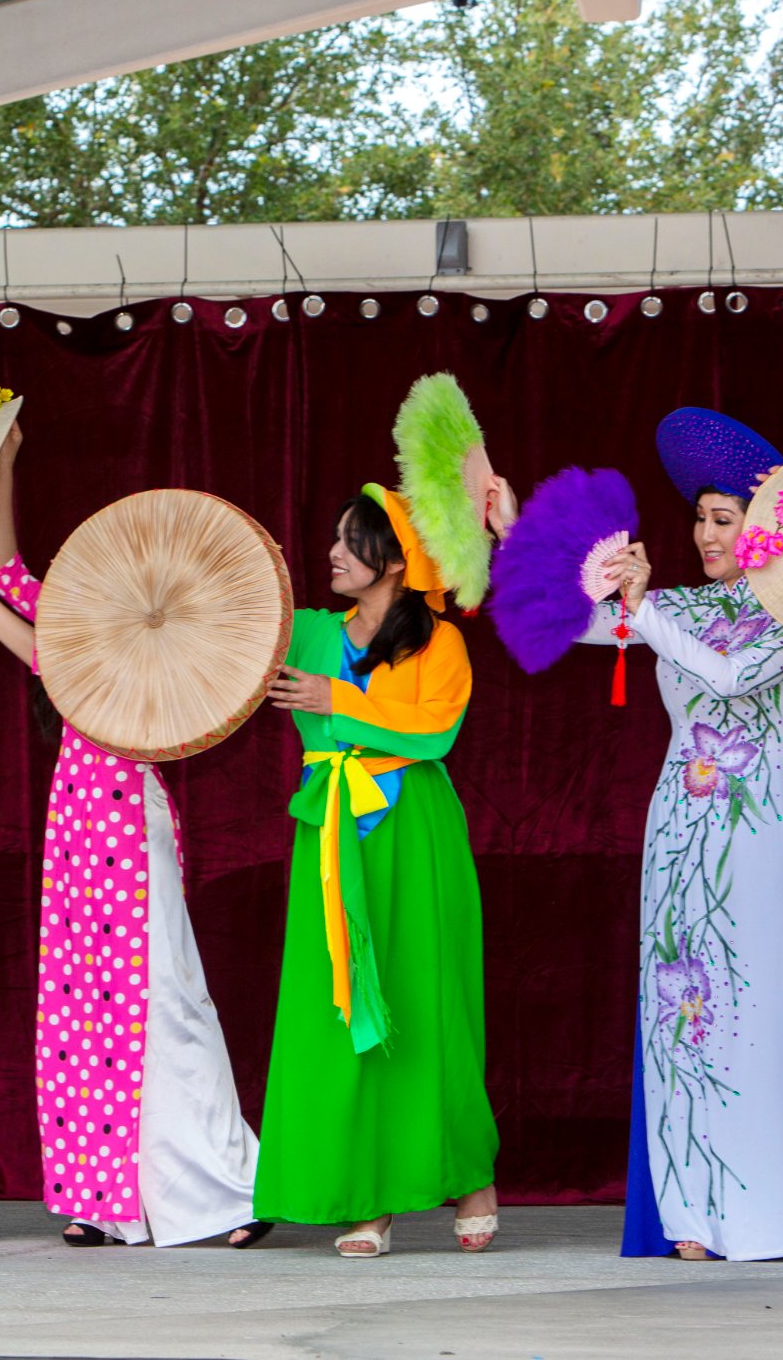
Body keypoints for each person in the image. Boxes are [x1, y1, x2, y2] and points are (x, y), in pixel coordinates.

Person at [0, 422, 269, 1249]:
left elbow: (46, 657)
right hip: (77, 820)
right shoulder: (82, 618)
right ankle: (106, 1200)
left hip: (127, 822)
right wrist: (4, 467)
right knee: (81, 1012)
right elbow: (11, 573)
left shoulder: (152, 642)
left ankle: (228, 1192)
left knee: (165, 1002)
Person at [574, 410, 783, 1262]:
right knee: (684, 1013)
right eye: (699, 518)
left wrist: (643, 610)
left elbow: (731, 676)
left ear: (764, 529)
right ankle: (695, 1211)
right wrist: (518, 532)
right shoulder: (681, 605)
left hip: (763, 824)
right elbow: (569, 625)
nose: (704, 533)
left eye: (722, 519)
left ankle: (778, 1212)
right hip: (679, 826)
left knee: (758, 1009)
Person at [258, 485, 498, 1257]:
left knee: (427, 1004)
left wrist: (341, 699)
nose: (330, 552)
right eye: (332, 537)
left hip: (413, 827)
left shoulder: (441, 643)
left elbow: (436, 731)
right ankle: (369, 1198)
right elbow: (227, 642)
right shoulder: (307, 633)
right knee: (344, 1007)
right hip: (333, 832)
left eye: (350, 541)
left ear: (395, 559)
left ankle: (470, 1176)